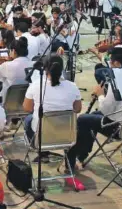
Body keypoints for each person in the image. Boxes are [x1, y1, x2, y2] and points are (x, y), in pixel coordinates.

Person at [23, 54, 82, 188]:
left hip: (42, 138)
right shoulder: (72, 86)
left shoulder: (36, 85)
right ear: (62, 69)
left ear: (44, 69)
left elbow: (27, 108)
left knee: (29, 119)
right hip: (67, 137)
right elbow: (77, 109)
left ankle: (41, 153)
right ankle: (70, 166)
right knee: (72, 124)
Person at [67, 48, 122, 172]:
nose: (110, 66)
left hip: (116, 126)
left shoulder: (116, 82)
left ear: (117, 64)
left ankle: (75, 157)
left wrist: (100, 94)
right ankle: (82, 155)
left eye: (111, 63)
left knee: (83, 119)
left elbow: (106, 109)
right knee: (92, 117)